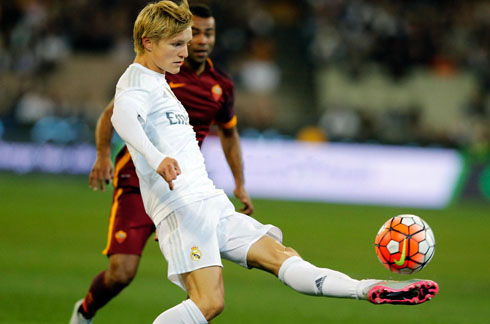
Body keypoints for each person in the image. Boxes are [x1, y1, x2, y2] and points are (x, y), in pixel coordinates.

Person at [107, 1, 440, 323]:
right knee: (208, 302)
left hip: (210, 203)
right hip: (183, 207)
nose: (185, 51)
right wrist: (157, 159)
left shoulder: (160, 83)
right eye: (177, 44)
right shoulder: (136, 80)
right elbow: (123, 117)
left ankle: (367, 289)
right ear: (148, 42)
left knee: (284, 257)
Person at [70, 3, 253, 324]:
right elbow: (116, 113)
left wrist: (239, 183)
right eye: (193, 33)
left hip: (184, 186)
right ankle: (85, 311)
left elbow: (229, 133)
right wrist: (102, 155)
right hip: (138, 181)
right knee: (122, 272)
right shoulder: (159, 72)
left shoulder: (220, 84)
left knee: (201, 286)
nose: (201, 40)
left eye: (208, 33)